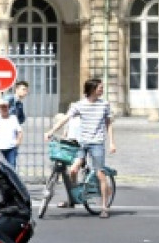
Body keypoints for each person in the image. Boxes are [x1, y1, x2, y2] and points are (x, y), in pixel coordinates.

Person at [45, 77, 117, 218]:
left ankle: (104, 207)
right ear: (91, 89)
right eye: (100, 88)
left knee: (100, 174)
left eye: (102, 88)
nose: (102, 90)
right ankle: (77, 195)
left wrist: (111, 142)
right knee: (73, 170)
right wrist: (51, 131)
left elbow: (108, 124)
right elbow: (65, 118)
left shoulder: (104, 105)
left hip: (97, 144)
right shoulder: (79, 105)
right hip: (82, 144)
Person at [0, 99, 22, 167]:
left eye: (5, 107)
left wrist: (18, 142)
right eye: (2, 107)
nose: (4, 109)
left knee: (11, 168)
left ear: (8, 108)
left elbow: (19, 131)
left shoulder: (13, 118)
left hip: (11, 148)